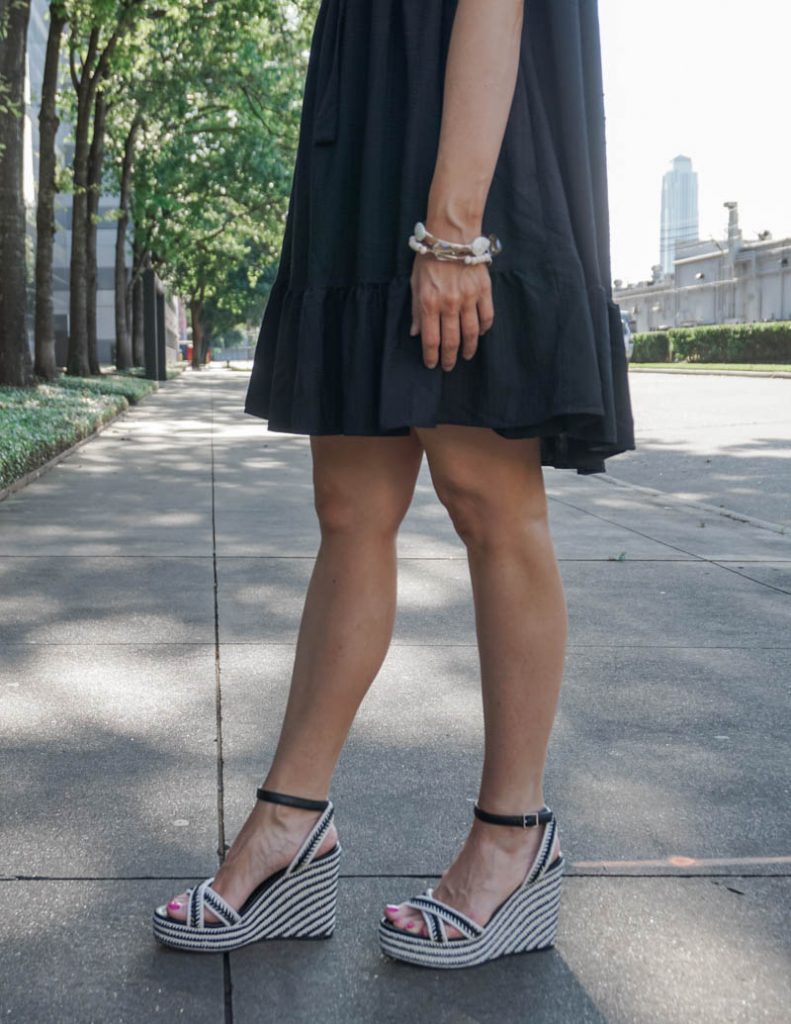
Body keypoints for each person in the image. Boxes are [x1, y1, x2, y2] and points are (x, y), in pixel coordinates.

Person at [153, 0, 634, 968]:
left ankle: (512, 838)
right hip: (369, 115)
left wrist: (454, 227)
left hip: (461, 127)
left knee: (485, 496)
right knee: (349, 507)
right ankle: (290, 827)